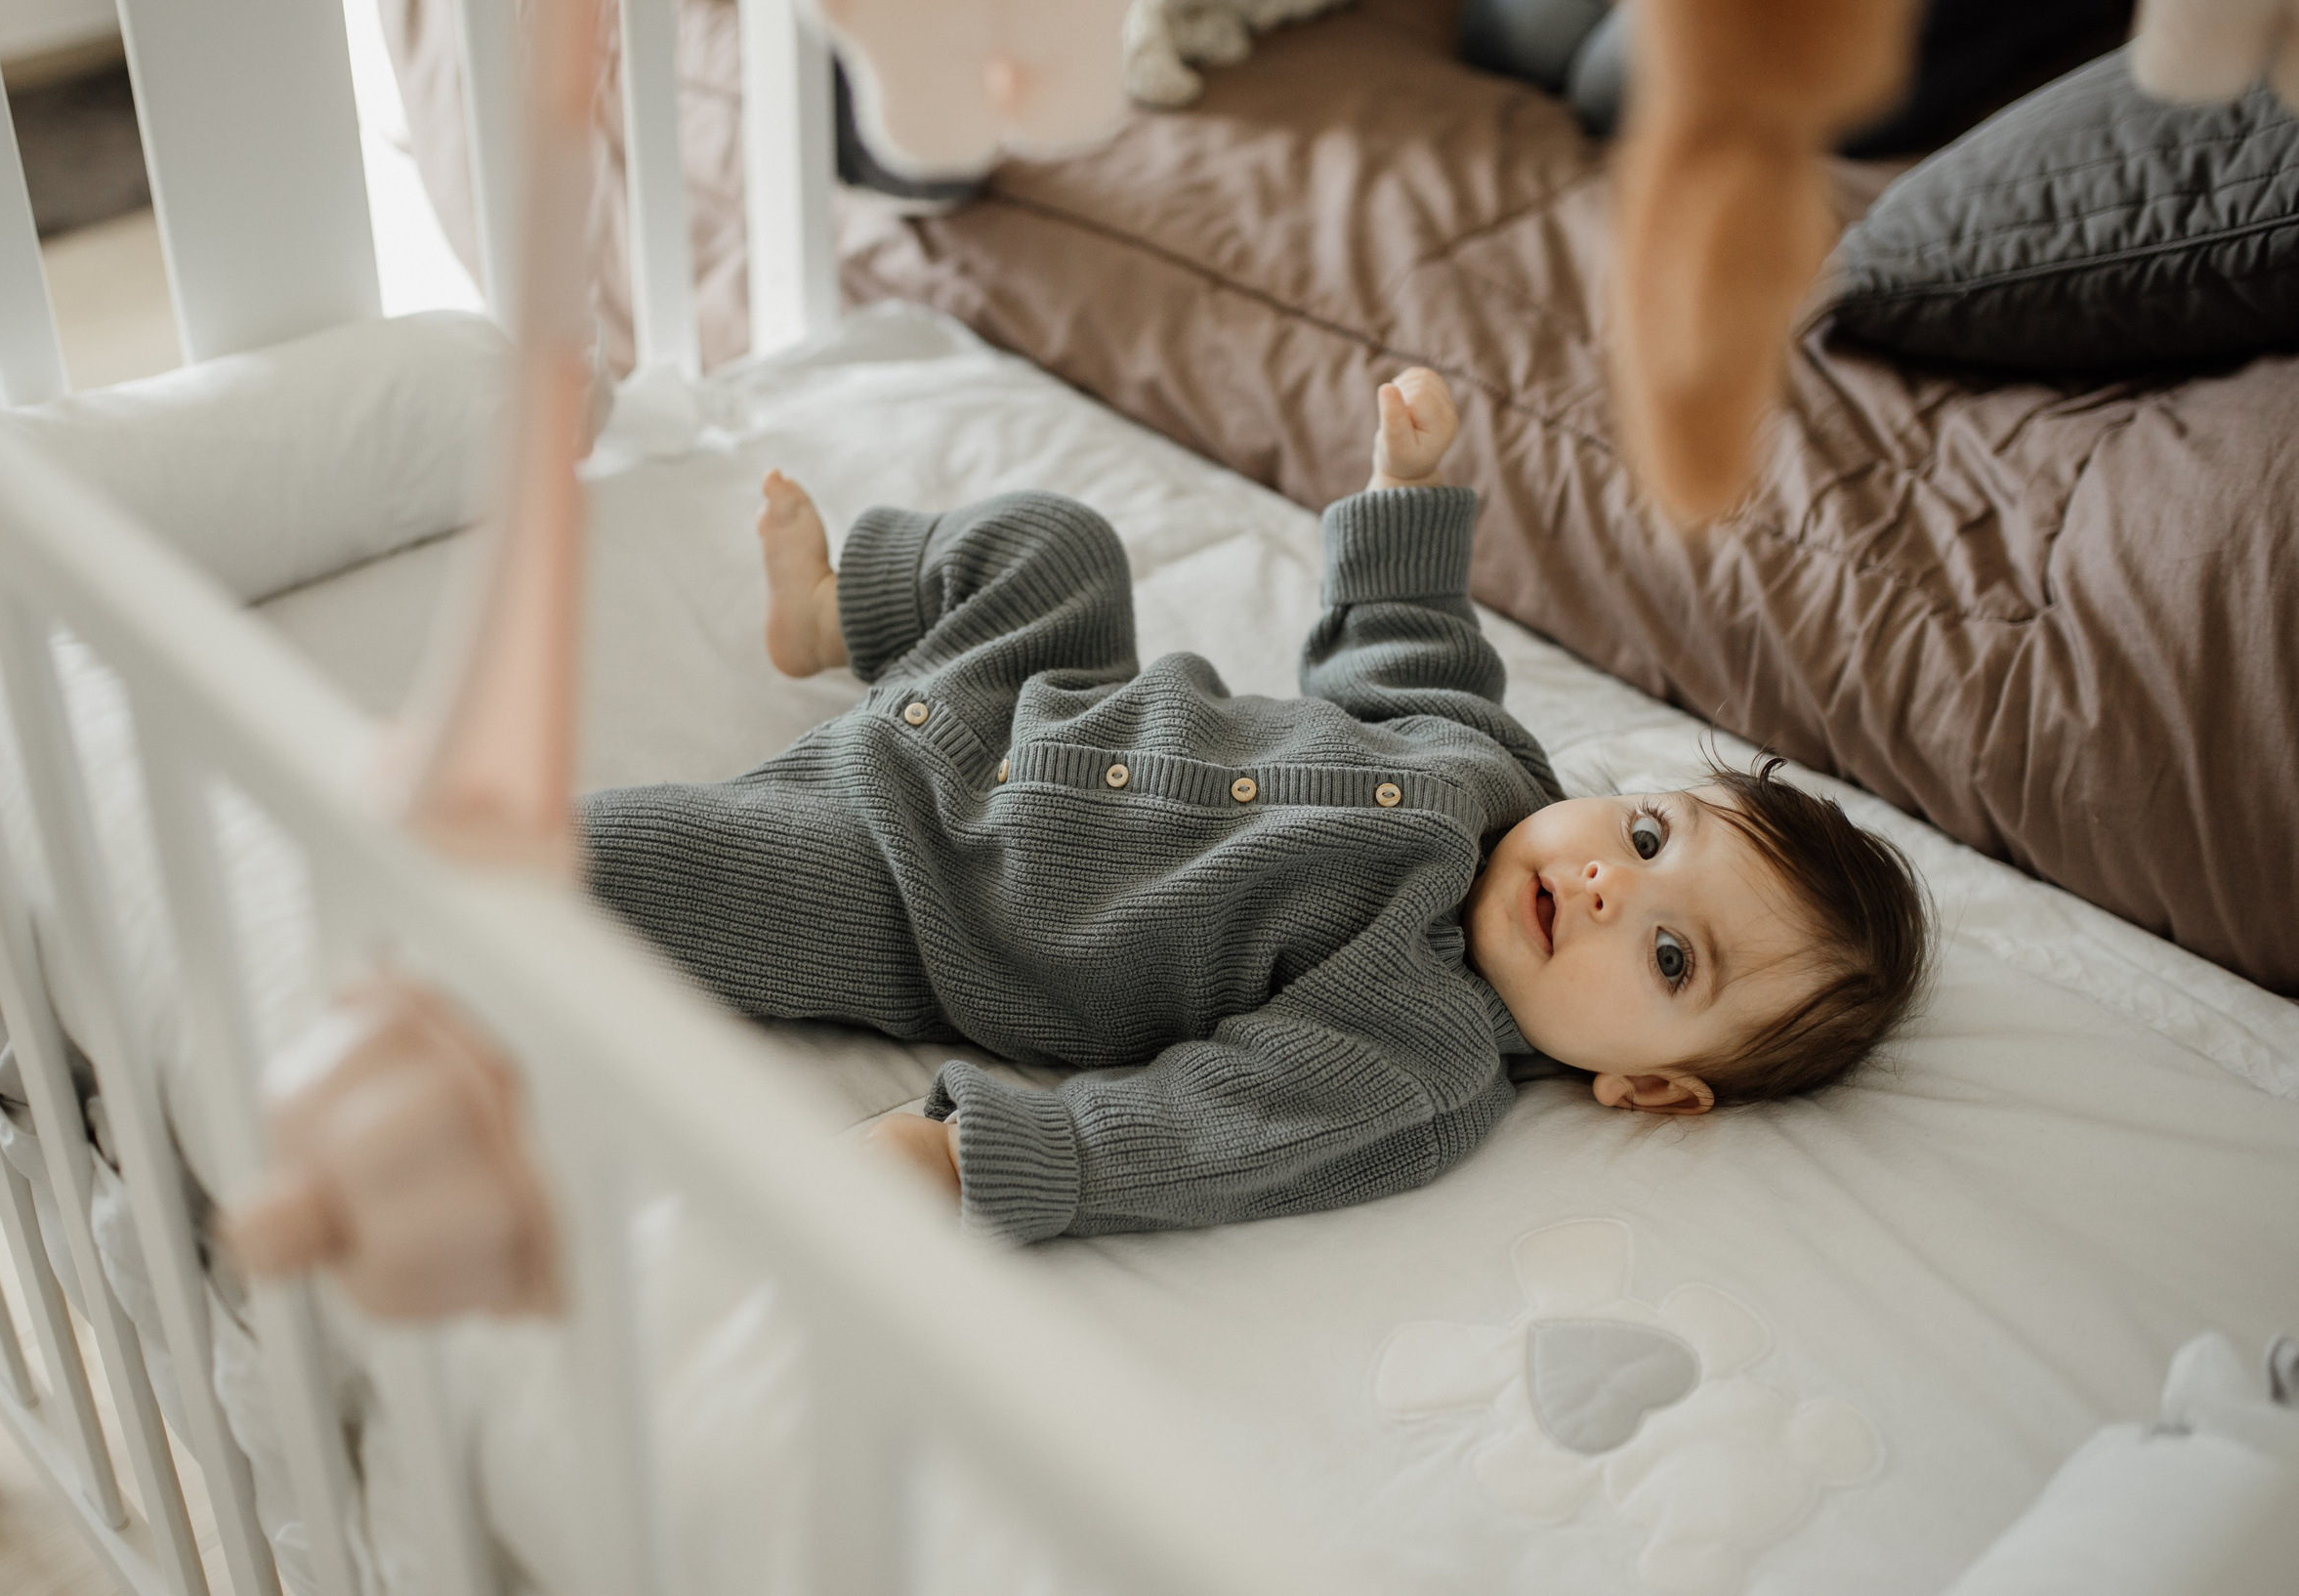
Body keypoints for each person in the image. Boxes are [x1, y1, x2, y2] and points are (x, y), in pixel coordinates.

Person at [578, 369, 1929, 1243]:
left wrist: (975, 1158)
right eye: (1646, 838)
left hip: (925, 890)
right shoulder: (1494, 765)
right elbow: (1400, 639)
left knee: (622, 866)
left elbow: (1206, 1130)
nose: (1607, 887)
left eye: (1669, 954)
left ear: (1646, 1087)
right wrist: (1412, 497)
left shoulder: (1423, 1057)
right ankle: (834, 616)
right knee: (1059, 544)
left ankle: (413, 858)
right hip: (1031, 698)